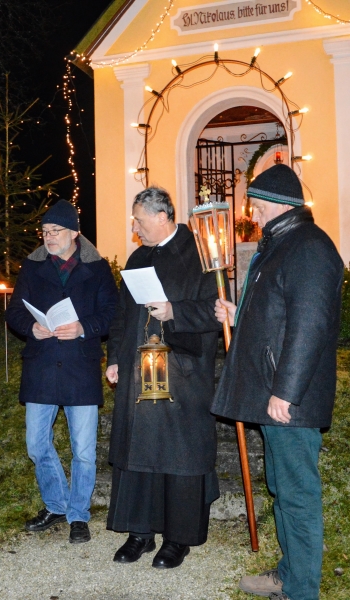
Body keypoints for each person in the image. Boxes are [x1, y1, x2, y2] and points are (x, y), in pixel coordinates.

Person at [212, 164, 343, 600]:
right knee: (283, 489)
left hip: (289, 398)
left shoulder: (307, 247)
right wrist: (239, 314)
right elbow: (277, 314)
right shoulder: (284, 243)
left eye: (256, 207)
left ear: (270, 205)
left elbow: (309, 326)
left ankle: (301, 589)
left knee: (297, 494)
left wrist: (286, 391)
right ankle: (289, 573)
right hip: (276, 392)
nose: (254, 214)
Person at [104, 187, 222, 569]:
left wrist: (175, 312)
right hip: (138, 373)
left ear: (162, 216)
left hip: (182, 372)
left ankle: (177, 538)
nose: (135, 227)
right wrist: (115, 358)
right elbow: (122, 316)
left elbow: (216, 311)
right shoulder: (138, 257)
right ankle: (140, 531)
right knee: (139, 451)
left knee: (178, 455)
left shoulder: (201, 254)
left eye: (139, 219)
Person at [5, 200, 118, 544]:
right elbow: (14, 312)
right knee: (37, 444)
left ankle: (78, 515)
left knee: (83, 449)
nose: (49, 237)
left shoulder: (97, 269)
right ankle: (56, 505)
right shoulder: (32, 265)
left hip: (80, 365)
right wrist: (32, 328)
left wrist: (83, 327)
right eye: (45, 231)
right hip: (41, 364)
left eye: (56, 231)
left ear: (74, 233)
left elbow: (113, 314)